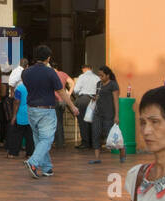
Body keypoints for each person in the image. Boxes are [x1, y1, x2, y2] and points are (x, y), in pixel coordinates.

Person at [21, 45, 78, 179]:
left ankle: (47, 168)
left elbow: (28, 86)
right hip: (46, 110)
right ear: (48, 58)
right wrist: (72, 106)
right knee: (47, 139)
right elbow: (61, 91)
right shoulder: (50, 72)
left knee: (39, 140)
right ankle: (33, 162)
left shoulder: (26, 72)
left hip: (31, 109)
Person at [90, 65, 123, 163]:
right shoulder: (98, 84)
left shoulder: (113, 85)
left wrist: (116, 115)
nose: (100, 77)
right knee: (95, 133)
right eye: (99, 75)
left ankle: (122, 150)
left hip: (109, 114)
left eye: (102, 75)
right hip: (97, 113)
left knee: (111, 135)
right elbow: (98, 96)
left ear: (108, 75)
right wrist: (94, 98)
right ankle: (97, 158)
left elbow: (116, 101)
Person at [72, 64, 101, 148]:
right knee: (93, 121)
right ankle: (93, 142)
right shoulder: (97, 77)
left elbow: (76, 90)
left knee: (83, 121)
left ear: (83, 69)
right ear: (91, 69)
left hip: (84, 99)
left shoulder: (82, 77)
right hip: (94, 100)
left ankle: (85, 143)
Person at [6, 75, 34, 159]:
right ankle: (30, 153)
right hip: (32, 113)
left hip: (21, 114)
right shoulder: (33, 87)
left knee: (17, 134)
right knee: (30, 135)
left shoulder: (19, 88)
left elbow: (16, 102)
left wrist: (14, 116)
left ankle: (13, 153)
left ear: (22, 78)